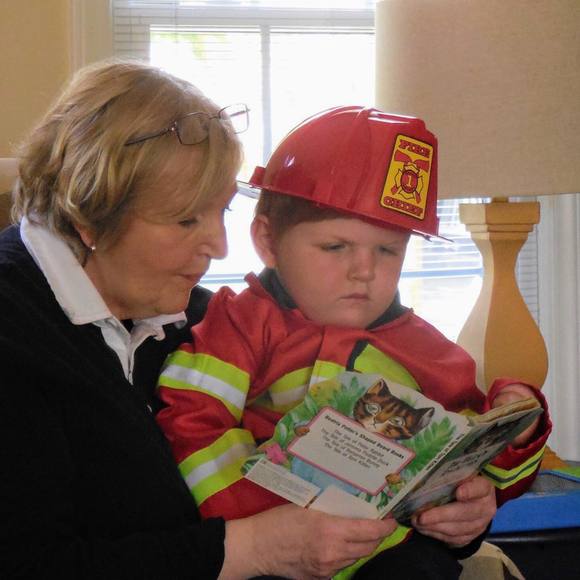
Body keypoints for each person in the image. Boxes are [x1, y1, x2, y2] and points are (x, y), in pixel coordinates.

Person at [0, 62, 403, 580]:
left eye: (222, 212)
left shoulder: (197, 318)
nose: (219, 246)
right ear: (91, 216)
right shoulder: (16, 334)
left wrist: (450, 508)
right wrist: (253, 548)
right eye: (186, 219)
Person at [156, 106, 552, 579]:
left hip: (389, 552)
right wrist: (262, 520)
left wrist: (509, 444)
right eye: (335, 247)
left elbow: (471, 458)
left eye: (387, 250)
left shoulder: (431, 352)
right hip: (266, 546)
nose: (364, 270)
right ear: (267, 240)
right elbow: (193, 418)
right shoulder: (239, 323)